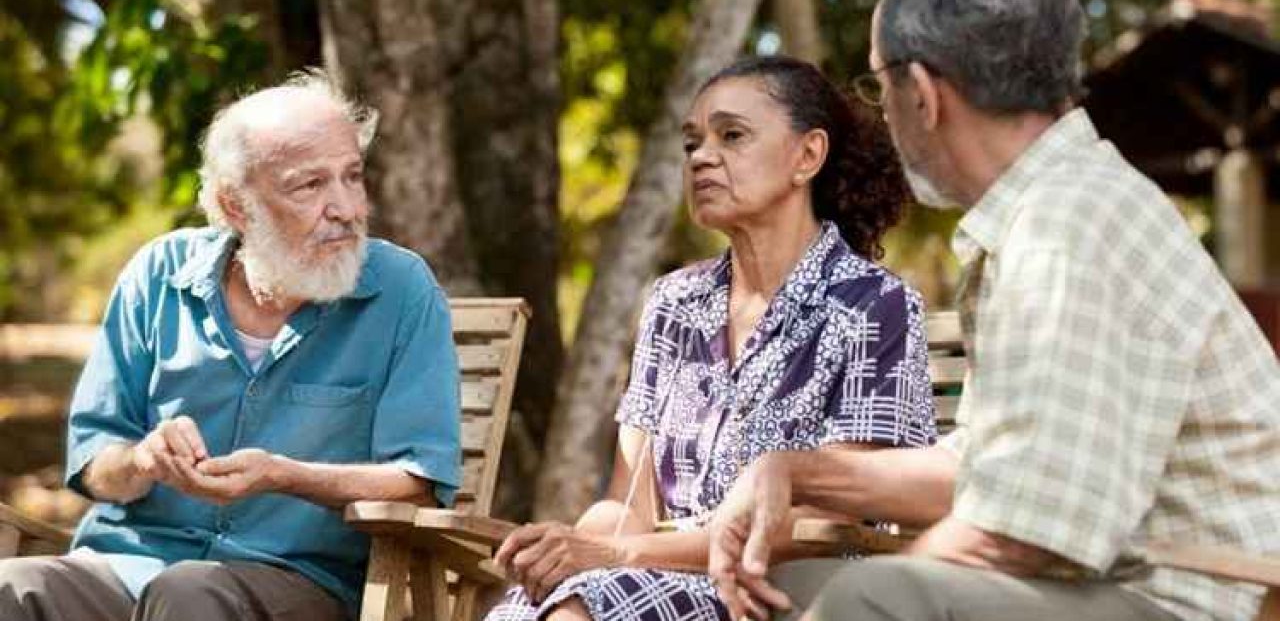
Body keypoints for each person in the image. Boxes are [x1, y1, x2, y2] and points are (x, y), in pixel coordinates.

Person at [707, 0, 1280, 621]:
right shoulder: (1040, 213)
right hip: (1108, 585)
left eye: (876, 83)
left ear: (923, 90)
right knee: (797, 589)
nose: (881, 110)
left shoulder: (1067, 226)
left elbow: (1023, 534)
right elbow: (984, 470)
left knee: (869, 598)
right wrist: (793, 471)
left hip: (1202, 600)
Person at [486, 56, 937, 621]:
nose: (701, 156)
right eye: (692, 142)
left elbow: (822, 522)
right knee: (527, 608)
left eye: (732, 135)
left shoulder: (873, 306)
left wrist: (616, 555)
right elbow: (631, 501)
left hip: (781, 586)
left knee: (585, 606)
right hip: (655, 574)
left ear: (808, 155)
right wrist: (575, 545)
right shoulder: (673, 303)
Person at [0, 71, 463, 621]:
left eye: (352, 176)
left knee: (189, 593)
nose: (346, 207)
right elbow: (95, 462)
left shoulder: (402, 291)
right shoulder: (158, 275)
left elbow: (421, 482)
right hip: (129, 563)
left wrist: (282, 474)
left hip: (296, 580)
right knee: (13, 583)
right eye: (309, 185)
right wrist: (143, 460)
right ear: (237, 206)